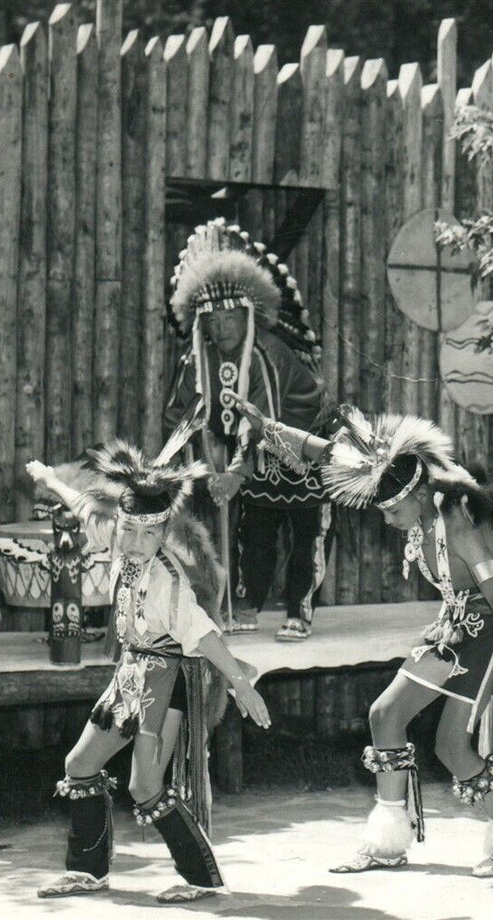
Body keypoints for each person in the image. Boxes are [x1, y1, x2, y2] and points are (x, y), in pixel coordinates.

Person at [232, 394, 493, 879]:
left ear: (417, 496)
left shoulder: (461, 520)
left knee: (451, 746)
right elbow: (334, 454)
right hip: (453, 624)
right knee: (385, 715)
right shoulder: (411, 487)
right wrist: (268, 427)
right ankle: (387, 841)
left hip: (492, 631)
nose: (387, 520)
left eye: (392, 511)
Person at [27, 442, 271, 904]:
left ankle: (200, 878)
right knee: (80, 766)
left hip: (165, 680)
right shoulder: (120, 547)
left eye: (149, 532)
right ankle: (87, 871)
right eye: (129, 530)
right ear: (119, 525)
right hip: (130, 674)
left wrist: (241, 685)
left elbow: (202, 634)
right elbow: (85, 507)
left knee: (145, 786)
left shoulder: (167, 581)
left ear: (163, 532)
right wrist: (50, 480)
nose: (137, 541)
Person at [165, 218, 330, 641]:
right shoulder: (197, 360)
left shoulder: (265, 354)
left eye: (229, 317)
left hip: (303, 447)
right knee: (255, 531)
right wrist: (184, 469)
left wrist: (235, 475)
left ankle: (299, 611)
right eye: (212, 319)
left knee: (305, 532)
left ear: (248, 315)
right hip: (258, 458)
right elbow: (180, 418)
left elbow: (262, 424)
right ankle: (248, 605)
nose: (220, 327)